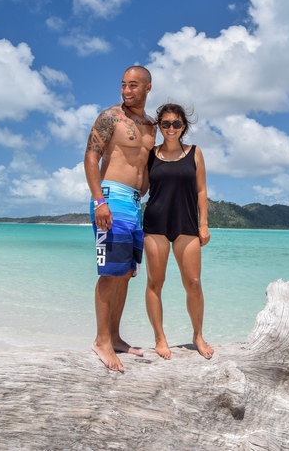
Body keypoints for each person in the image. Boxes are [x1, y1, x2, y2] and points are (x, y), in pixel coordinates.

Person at [83, 65, 156, 373]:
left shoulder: (151, 126)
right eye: (124, 84)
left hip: (136, 204)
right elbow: (91, 157)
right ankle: (101, 340)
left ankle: (114, 336)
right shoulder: (110, 117)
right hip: (111, 198)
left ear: (147, 88)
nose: (127, 90)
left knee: (125, 274)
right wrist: (99, 201)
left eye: (133, 85)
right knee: (110, 273)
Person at [143, 103, 214, 360]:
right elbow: (140, 186)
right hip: (155, 225)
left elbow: (201, 190)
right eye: (165, 123)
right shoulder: (150, 154)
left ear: (183, 126)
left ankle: (198, 336)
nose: (171, 128)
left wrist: (203, 224)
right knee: (155, 282)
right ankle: (160, 338)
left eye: (176, 124)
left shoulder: (195, 152)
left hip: (186, 224)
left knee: (193, 283)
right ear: (159, 126)